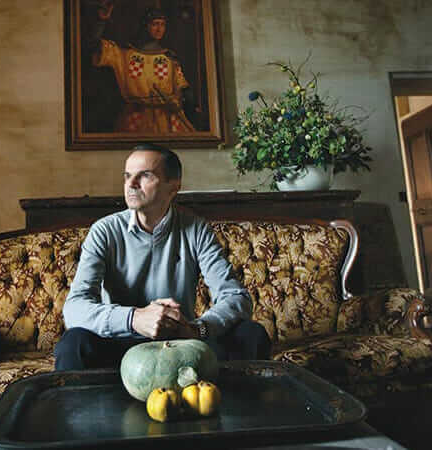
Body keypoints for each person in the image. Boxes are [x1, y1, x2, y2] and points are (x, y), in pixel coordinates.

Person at [55, 144, 271, 370]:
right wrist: (134, 319)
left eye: (144, 176)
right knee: (74, 343)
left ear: (173, 187)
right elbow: (75, 308)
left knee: (251, 334)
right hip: (119, 344)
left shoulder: (195, 229)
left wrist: (198, 329)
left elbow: (236, 297)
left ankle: (235, 406)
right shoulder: (104, 231)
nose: (131, 184)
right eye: (127, 176)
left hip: (181, 346)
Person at [88, 3, 197, 133]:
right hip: (135, 118)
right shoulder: (125, 54)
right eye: (155, 24)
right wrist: (101, 21)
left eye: (162, 25)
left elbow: (182, 86)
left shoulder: (169, 58)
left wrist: (186, 101)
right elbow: (94, 47)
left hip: (166, 119)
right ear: (146, 26)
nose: (159, 29)